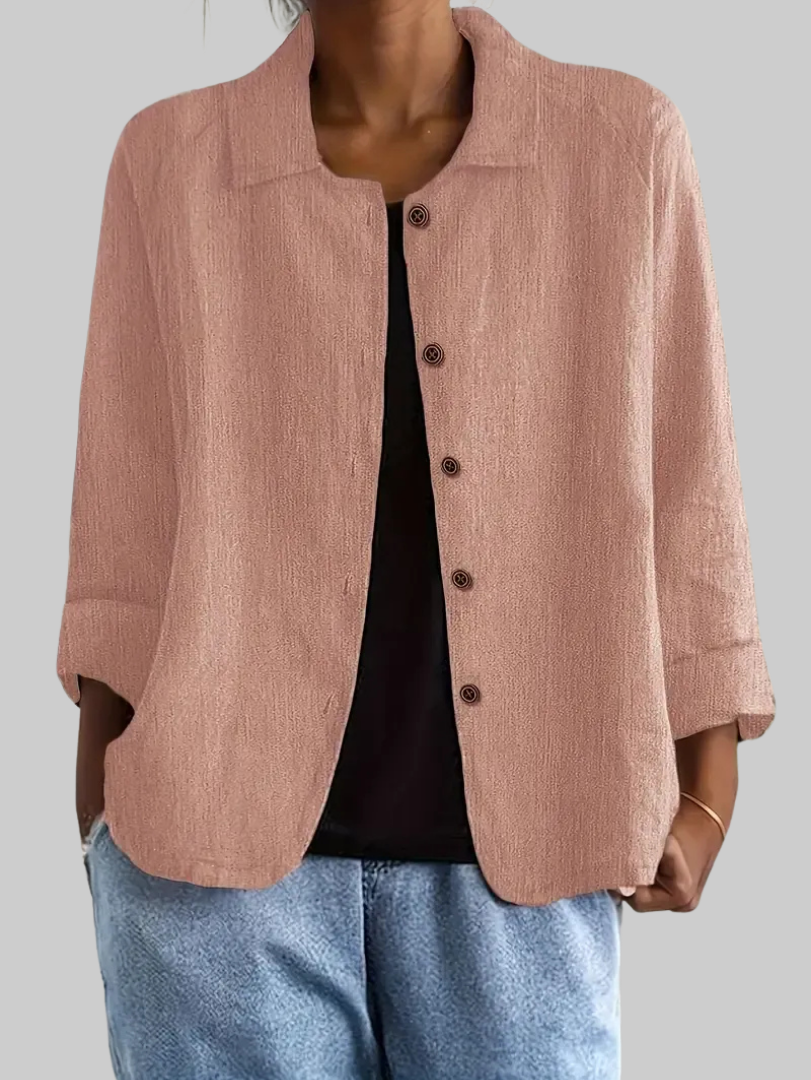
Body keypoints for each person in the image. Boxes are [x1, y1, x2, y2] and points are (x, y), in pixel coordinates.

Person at [59, 2, 776, 1078]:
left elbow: (689, 483)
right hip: (206, 889)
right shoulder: (173, 159)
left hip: (530, 870)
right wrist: (104, 825)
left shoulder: (622, 142)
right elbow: (125, 513)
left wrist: (706, 793)